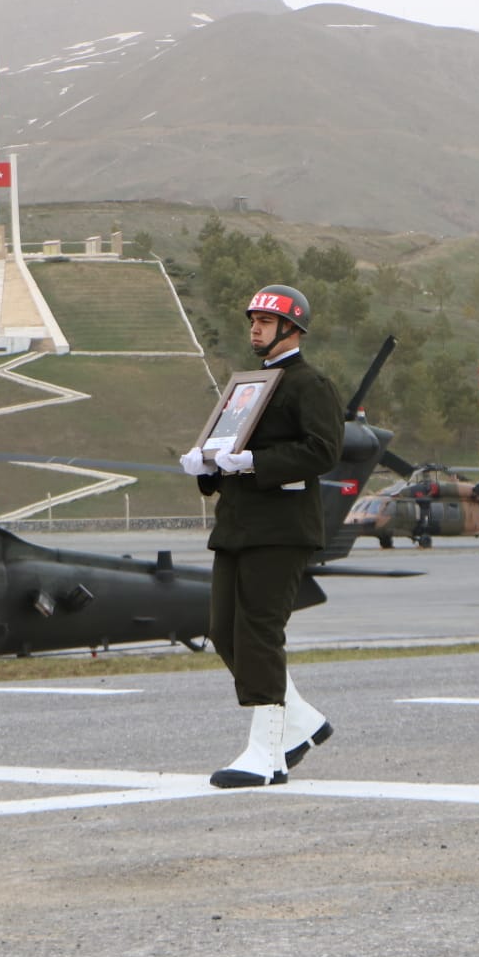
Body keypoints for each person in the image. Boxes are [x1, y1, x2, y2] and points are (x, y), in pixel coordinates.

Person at [180, 284, 344, 786]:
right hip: (238, 524)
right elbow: (229, 446)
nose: (255, 327)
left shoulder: (308, 383)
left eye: (266, 322)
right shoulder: (247, 384)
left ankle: (266, 754)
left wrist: (256, 463)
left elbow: (323, 451)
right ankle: (302, 724)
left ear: (292, 330)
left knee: (259, 633)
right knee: (225, 630)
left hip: (281, 527)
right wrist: (206, 466)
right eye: (252, 319)